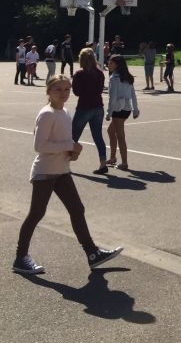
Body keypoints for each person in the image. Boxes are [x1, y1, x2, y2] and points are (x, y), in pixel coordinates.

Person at [12, 74, 123, 276]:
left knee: (77, 209)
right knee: (36, 214)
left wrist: (72, 152)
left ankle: (92, 253)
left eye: (66, 89)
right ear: (48, 91)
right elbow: (40, 146)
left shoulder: (64, 112)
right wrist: (69, 146)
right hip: (45, 172)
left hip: (62, 171)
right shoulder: (46, 114)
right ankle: (20, 258)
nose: (63, 93)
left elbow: (63, 140)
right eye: (58, 89)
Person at [71, 48, 110, 174]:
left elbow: (76, 92)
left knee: (73, 136)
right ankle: (103, 162)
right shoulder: (99, 73)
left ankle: (64, 162)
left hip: (84, 107)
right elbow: (100, 89)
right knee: (98, 136)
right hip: (98, 107)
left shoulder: (79, 74)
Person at [105, 54, 140, 170]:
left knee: (120, 135)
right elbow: (133, 95)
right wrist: (135, 109)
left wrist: (109, 113)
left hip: (118, 110)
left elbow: (112, 97)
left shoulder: (114, 78)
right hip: (126, 109)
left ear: (117, 65)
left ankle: (124, 163)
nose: (108, 64)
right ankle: (112, 158)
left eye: (111, 62)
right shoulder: (127, 77)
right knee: (111, 131)